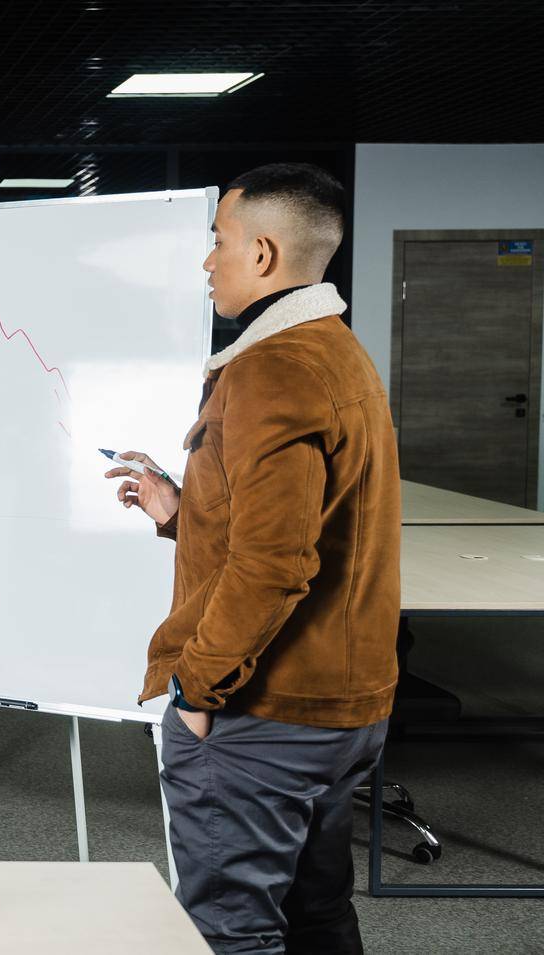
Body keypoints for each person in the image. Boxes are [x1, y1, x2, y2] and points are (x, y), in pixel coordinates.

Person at [105, 163, 399, 954]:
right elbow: (303, 521)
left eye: (219, 242)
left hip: (264, 713)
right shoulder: (334, 351)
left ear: (264, 253)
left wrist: (198, 690)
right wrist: (179, 512)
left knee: (228, 933)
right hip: (341, 706)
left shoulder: (271, 369)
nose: (208, 261)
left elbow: (275, 563)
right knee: (317, 917)